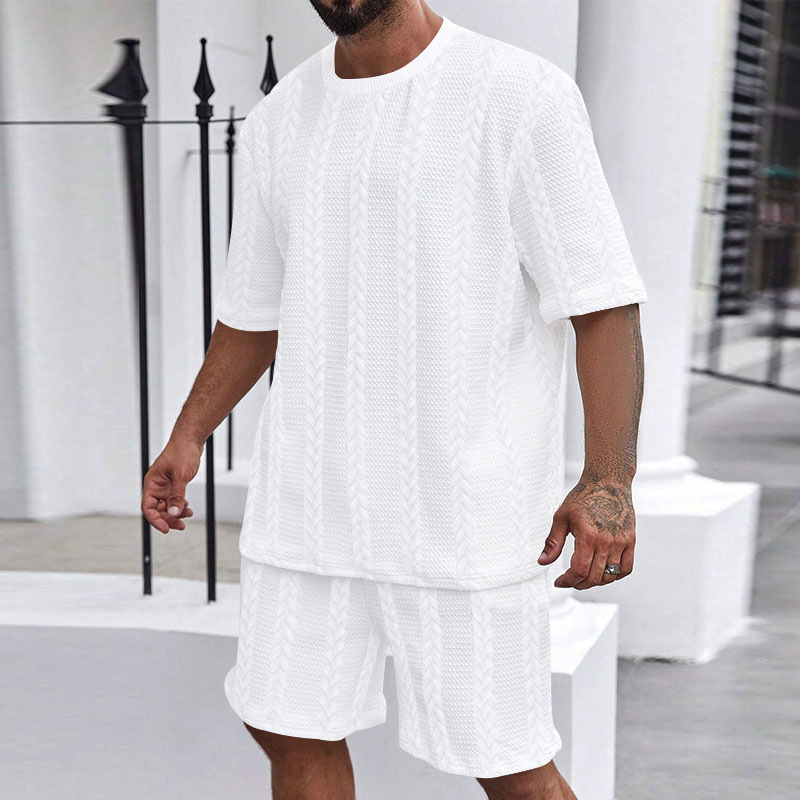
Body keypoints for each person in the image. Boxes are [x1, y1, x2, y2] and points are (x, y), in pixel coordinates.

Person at [141, 1, 647, 797]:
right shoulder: (280, 118)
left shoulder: (521, 94)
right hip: (307, 511)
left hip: (464, 519)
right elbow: (254, 311)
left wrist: (609, 479)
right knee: (287, 725)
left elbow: (602, 304)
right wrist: (189, 433)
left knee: (509, 762)